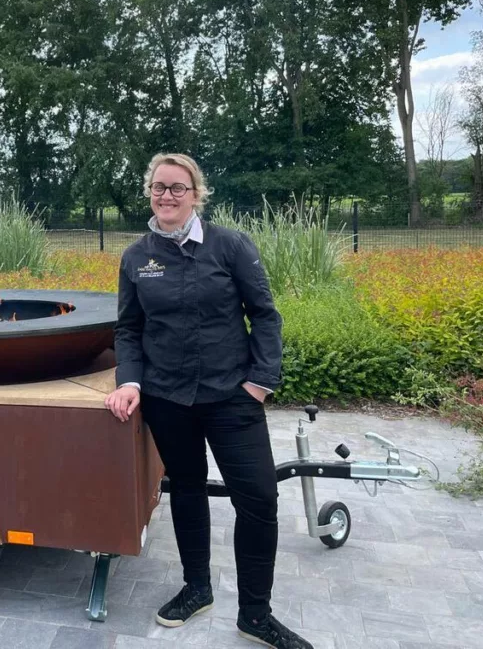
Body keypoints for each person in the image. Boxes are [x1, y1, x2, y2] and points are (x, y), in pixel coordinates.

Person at [104, 153, 312, 649]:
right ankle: (197, 588)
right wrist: (130, 382)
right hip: (167, 398)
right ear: (149, 193)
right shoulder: (137, 257)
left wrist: (260, 381)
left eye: (178, 187)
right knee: (188, 489)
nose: (167, 196)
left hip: (231, 397)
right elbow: (129, 329)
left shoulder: (230, 246)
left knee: (259, 499)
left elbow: (265, 315)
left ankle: (255, 615)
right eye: (159, 187)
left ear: (197, 193)